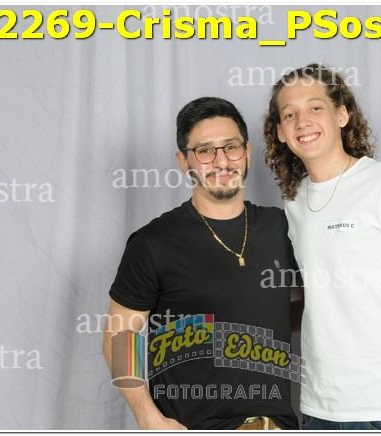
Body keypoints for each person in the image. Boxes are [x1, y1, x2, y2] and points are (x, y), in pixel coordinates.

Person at [263, 64, 381, 431]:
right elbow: (321, 299)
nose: (302, 121)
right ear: (281, 133)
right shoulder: (295, 201)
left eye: (315, 107)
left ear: (341, 115)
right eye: (289, 114)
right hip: (318, 406)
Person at [102, 97, 299, 430]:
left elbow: (313, 309)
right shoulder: (154, 242)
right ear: (184, 161)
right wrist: (147, 416)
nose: (222, 161)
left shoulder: (284, 228)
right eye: (205, 151)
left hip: (276, 426)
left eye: (231, 147)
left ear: (247, 152)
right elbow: (119, 335)